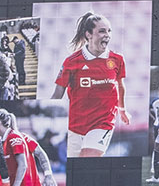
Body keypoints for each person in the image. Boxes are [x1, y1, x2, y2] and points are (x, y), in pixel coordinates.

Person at [52, 12, 130, 157]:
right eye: (102, 31)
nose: (107, 35)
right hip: (75, 126)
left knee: (87, 158)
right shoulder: (71, 61)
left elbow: (120, 85)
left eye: (109, 31)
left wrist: (122, 109)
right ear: (88, 34)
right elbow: (57, 93)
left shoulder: (117, 59)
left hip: (103, 123)